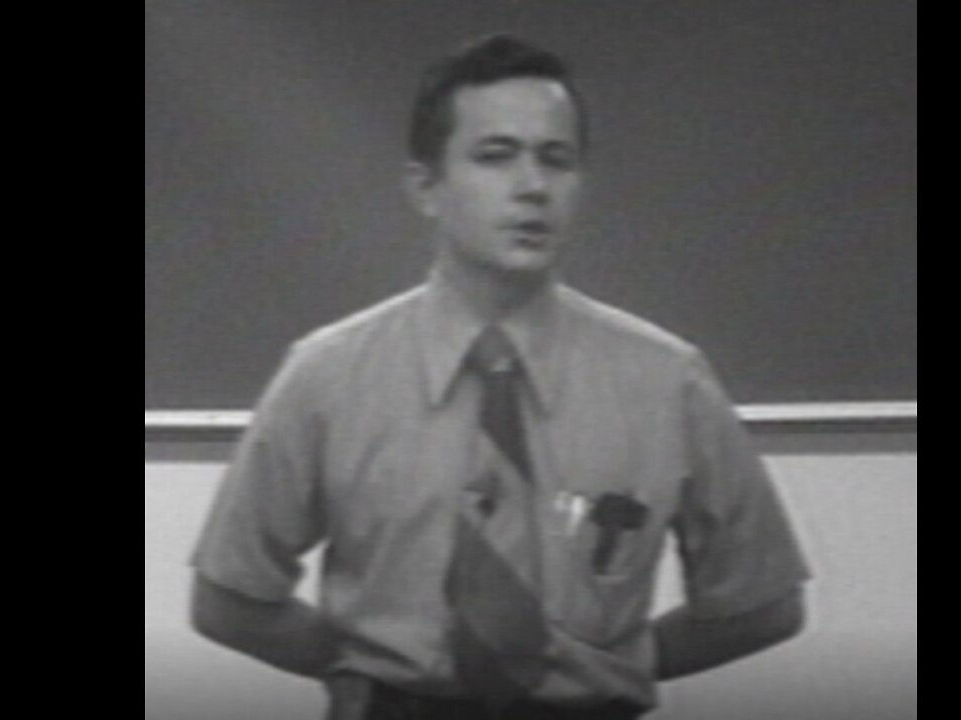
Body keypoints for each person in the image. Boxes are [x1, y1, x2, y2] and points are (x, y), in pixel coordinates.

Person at [190, 34, 811, 720]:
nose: (532, 187)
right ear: (426, 187)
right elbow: (229, 601)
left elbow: (764, 605)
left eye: (557, 160)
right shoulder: (327, 376)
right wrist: (361, 676)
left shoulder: (668, 381)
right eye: (496, 156)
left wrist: (608, 671)